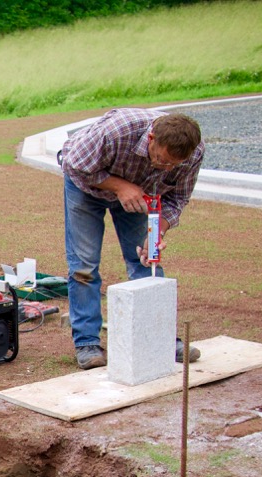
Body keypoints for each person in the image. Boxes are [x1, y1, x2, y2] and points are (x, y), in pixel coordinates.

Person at [60, 108, 205, 370]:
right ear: (151, 138)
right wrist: (120, 186)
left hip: (139, 195)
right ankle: (87, 344)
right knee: (84, 266)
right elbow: (73, 164)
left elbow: (178, 198)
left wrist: (157, 230)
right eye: (161, 160)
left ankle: (162, 340)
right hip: (86, 189)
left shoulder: (193, 151)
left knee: (147, 261)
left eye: (173, 164)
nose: (166, 168)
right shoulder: (116, 131)